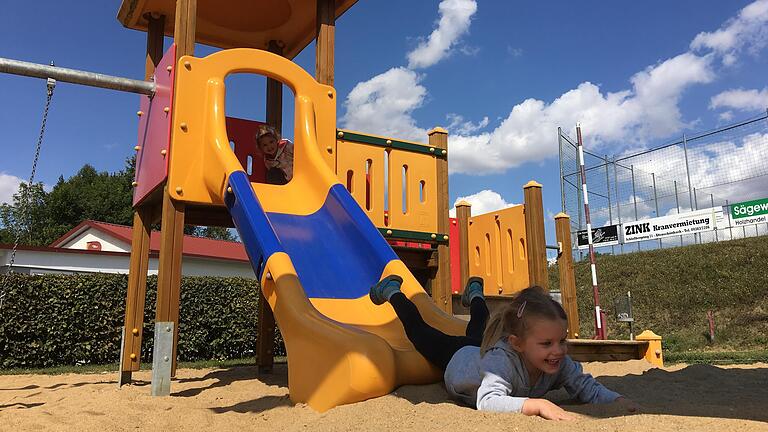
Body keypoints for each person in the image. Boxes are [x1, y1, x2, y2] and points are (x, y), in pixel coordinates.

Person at [369, 277, 637, 420]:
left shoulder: (558, 362)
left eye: (562, 340)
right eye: (547, 344)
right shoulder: (502, 364)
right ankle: (393, 292)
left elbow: (586, 386)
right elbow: (488, 401)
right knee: (422, 334)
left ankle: (475, 294)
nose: (558, 351)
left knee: (478, 329)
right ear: (517, 344)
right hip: (459, 359)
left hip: (480, 351)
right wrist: (536, 405)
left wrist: (614, 399)